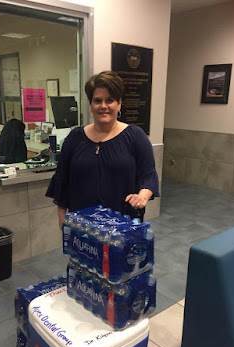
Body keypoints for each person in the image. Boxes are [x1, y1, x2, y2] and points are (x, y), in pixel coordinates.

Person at [46, 70, 159, 229]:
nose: (103, 106)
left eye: (110, 100)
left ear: (119, 103)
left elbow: (148, 175)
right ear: (91, 105)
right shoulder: (75, 138)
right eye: (97, 100)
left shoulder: (135, 136)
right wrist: (63, 223)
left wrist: (142, 196)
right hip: (83, 228)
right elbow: (62, 182)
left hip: (122, 228)